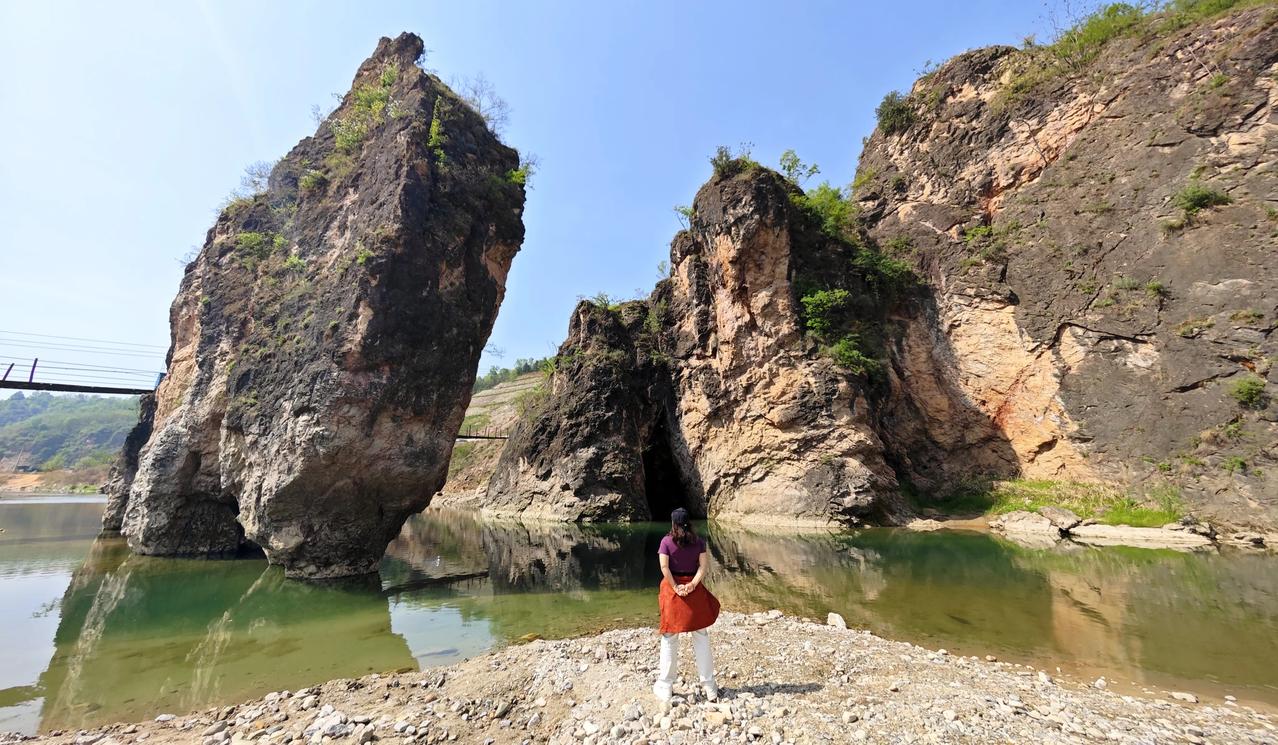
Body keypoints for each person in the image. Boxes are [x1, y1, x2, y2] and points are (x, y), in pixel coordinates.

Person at [654, 507, 721, 708]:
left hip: (673, 590)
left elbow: (664, 567)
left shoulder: (666, 542)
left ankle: (665, 686)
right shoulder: (698, 541)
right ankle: (710, 687)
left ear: (673, 523)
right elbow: (702, 567)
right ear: (689, 523)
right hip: (694, 591)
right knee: (701, 636)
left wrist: (676, 586)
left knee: (669, 638)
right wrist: (692, 585)